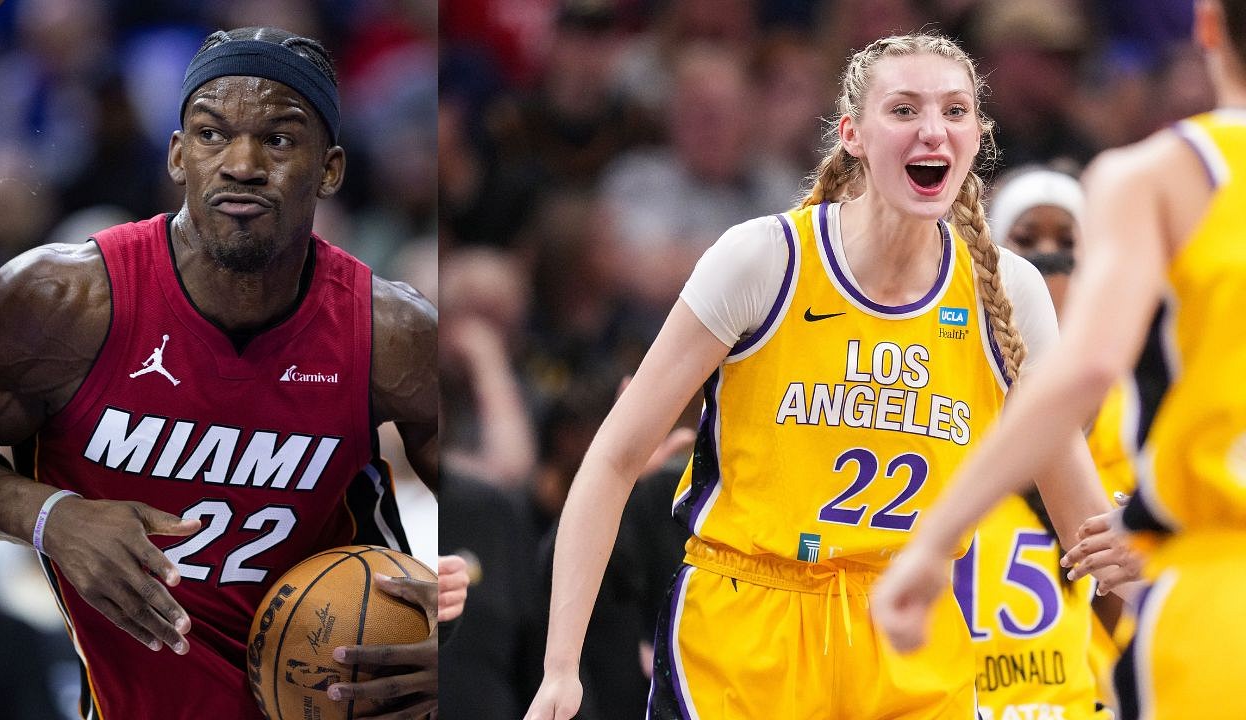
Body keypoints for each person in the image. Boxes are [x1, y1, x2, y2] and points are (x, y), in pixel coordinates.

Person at [526, 33, 1121, 720]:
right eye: (904, 110)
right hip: (749, 626)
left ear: (976, 136)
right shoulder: (763, 260)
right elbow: (614, 456)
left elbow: (1085, 518)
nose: (933, 129)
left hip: (909, 632)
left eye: (955, 111)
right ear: (853, 135)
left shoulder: (1009, 292)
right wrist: (559, 669)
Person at [0, 24, 448, 720]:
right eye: (212, 134)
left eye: (279, 139)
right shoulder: (58, 303)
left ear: (331, 168)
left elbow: (491, 513)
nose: (242, 163)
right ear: (177, 155)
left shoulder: (393, 333)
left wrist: (460, 632)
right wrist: (50, 517)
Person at [873, 1, 1246, 718]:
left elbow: (1083, 368)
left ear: (1207, 24)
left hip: (1215, 593)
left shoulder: (1157, 173)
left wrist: (936, 540)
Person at [958, 167, 1115, 720]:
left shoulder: (1130, 408)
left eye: (1067, 243)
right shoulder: (955, 383)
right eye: (1027, 241)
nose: (1048, 258)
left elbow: (1123, 588)